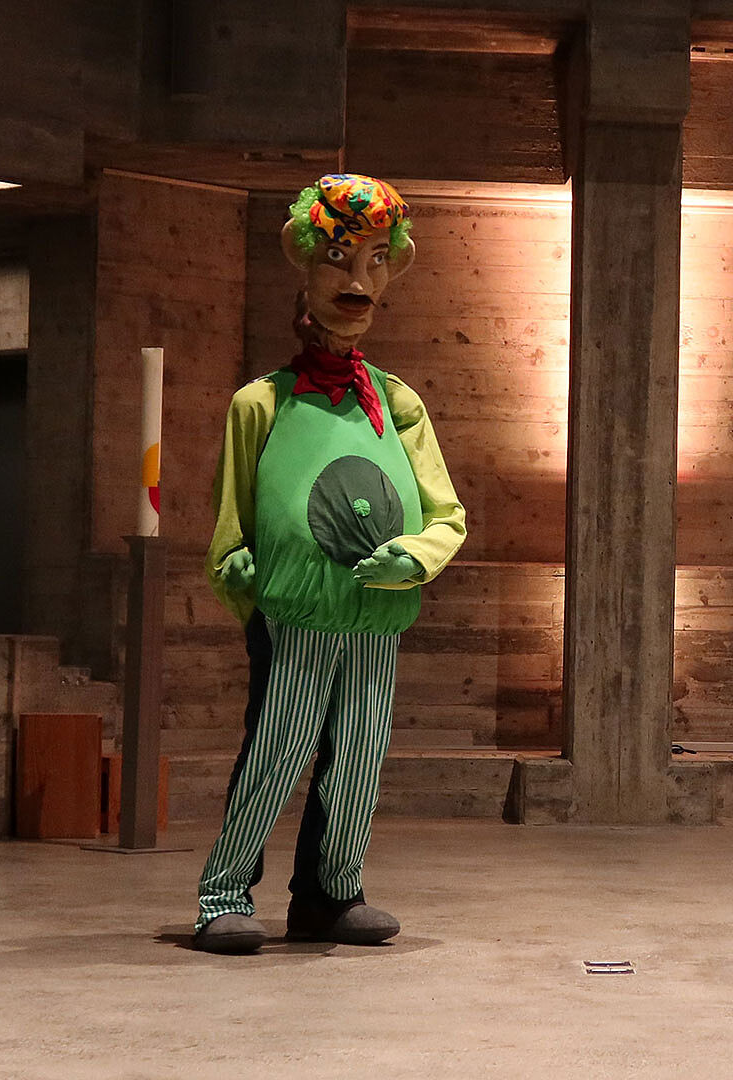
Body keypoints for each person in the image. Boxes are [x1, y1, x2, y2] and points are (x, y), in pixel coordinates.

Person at [191, 174, 467, 954]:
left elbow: (446, 513)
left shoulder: (398, 402)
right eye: (341, 260)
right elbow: (231, 520)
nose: (357, 282)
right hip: (296, 611)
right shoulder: (262, 403)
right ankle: (222, 892)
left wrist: (413, 557)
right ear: (308, 267)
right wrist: (245, 581)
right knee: (277, 748)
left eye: (376, 261)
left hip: (377, 611)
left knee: (359, 755)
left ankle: (331, 893)